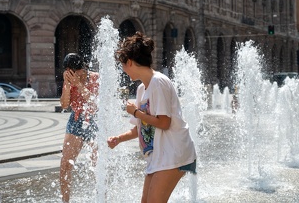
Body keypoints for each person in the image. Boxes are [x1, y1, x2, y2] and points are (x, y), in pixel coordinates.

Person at [107, 32, 197, 203]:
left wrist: (135, 112)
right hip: (159, 156)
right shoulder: (142, 89)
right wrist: (118, 139)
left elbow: (164, 122)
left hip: (174, 153)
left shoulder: (159, 82)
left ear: (130, 62)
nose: (124, 71)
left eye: (123, 66)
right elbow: (140, 128)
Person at [59, 53, 99, 203]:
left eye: (74, 72)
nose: (71, 75)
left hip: (95, 120)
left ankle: (102, 197)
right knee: (65, 165)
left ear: (82, 69)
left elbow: (94, 104)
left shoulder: (94, 77)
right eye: (68, 72)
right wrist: (68, 86)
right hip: (76, 119)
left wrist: (79, 84)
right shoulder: (69, 80)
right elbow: (64, 104)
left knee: (97, 164)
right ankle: (65, 201)